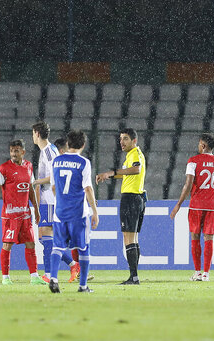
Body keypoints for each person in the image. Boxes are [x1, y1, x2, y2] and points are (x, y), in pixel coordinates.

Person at [49, 130, 99, 293]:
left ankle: (54, 279)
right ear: (83, 145)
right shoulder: (84, 163)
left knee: (58, 246)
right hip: (78, 213)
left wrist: (62, 200)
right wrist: (95, 211)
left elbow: (54, 186)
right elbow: (88, 189)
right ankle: (83, 286)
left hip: (60, 212)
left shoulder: (56, 161)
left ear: (68, 144)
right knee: (84, 248)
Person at [170, 133, 214, 281]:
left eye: (199, 143)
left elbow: (188, 185)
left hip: (197, 205)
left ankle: (197, 272)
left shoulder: (193, 161)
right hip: (213, 206)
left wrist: (178, 204)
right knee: (209, 238)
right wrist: (212, 198)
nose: (198, 146)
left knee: (195, 237)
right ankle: (206, 273)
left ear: (203, 145)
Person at [95, 128, 147, 285]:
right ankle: (134, 276)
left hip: (131, 198)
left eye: (125, 139)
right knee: (133, 238)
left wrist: (112, 172)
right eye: (120, 139)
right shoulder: (130, 155)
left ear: (134, 141)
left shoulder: (136, 154)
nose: (121, 142)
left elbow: (136, 170)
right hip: (136, 198)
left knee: (128, 237)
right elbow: (127, 172)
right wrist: (108, 175)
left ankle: (134, 277)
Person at [31, 122, 80, 283]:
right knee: (47, 236)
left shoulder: (49, 152)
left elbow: (55, 176)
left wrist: (35, 182)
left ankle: (53, 271)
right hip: (47, 198)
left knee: (47, 234)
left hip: (51, 198)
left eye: (33, 133)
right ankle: (69, 266)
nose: (32, 136)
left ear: (37, 134)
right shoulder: (47, 150)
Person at [0, 139, 46, 285]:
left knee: (30, 244)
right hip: (10, 215)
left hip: (26, 214)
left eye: (16, 150)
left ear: (23, 152)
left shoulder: (28, 166)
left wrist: (36, 209)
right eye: (11, 151)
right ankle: (5, 278)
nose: (13, 153)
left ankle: (34, 276)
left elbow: (30, 189)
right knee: (7, 245)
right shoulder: (3, 168)